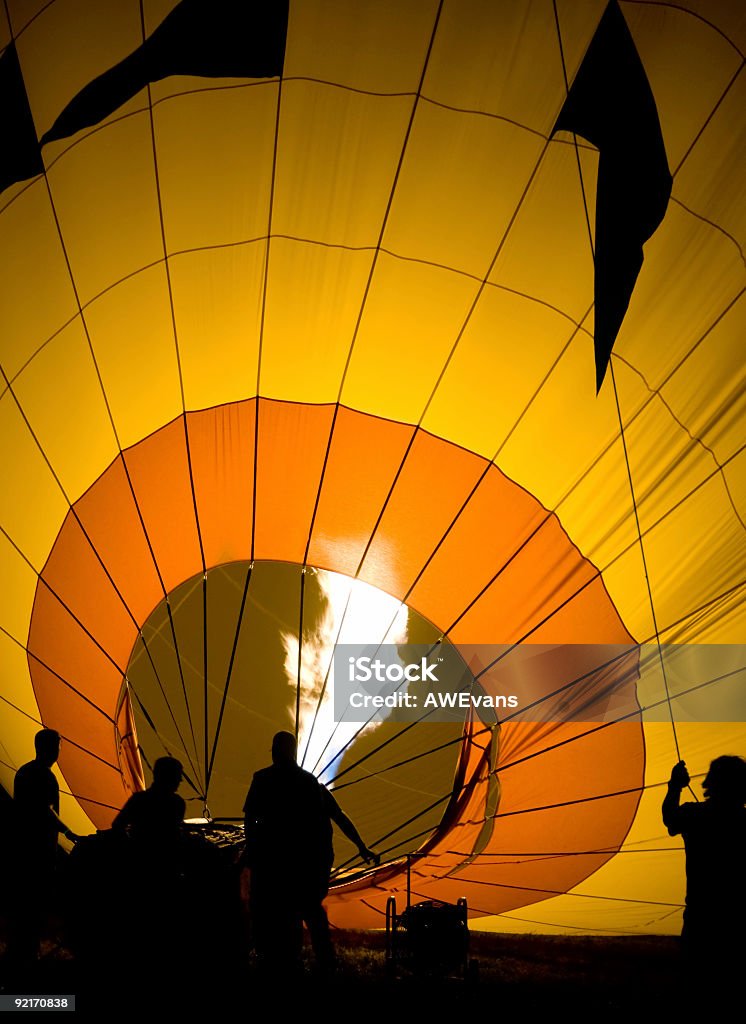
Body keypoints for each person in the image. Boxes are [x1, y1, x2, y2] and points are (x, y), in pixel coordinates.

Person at [243, 730, 379, 974]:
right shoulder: (309, 783)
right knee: (309, 913)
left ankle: (281, 963)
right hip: (308, 864)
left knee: (278, 915)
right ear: (294, 752)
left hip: (275, 864)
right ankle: (323, 964)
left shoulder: (263, 780)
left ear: (276, 751)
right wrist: (361, 846)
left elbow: (250, 819)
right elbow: (338, 816)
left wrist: (251, 852)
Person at [662, 756, 746, 975]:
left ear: (710, 782)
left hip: (700, 919)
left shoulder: (695, 814)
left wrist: (675, 786)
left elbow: (670, 818)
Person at [9, 728, 81, 964]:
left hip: (22, 845)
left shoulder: (24, 772)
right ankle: (27, 954)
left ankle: (20, 950)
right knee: (33, 901)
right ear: (51, 748)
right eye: (59, 745)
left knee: (23, 902)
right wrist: (69, 832)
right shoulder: (44, 776)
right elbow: (45, 809)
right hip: (37, 848)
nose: (60, 750)